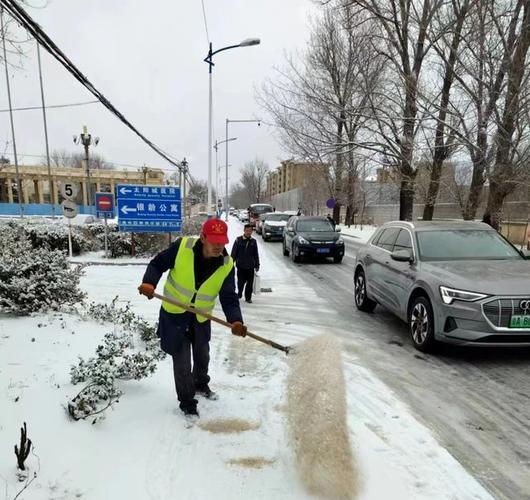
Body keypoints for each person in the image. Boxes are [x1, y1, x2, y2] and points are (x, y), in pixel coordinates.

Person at [138, 218, 247, 419]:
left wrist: (236, 320)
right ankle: (187, 402)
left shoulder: (226, 264)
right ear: (203, 236)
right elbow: (158, 263)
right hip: (175, 315)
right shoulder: (182, 247)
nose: (218, 246)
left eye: (222, 241)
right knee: (182, 362)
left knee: (202, 354)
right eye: (214, 241)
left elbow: (229, 296)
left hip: (201, 318)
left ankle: (201, 383)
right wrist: (149, 282)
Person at [231, 223, 260, 304]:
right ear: (244, 231)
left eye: (250, 231)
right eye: (247, 230)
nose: (248, 232)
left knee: (249, 284)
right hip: (241, 266)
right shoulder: (238, 240)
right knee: (240, 282)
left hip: (250, 266)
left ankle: (248, 298)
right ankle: (239, 292)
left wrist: (257, 264)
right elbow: (234, 253)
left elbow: (256, 254)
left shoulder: (253, 242)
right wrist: (231, 263)